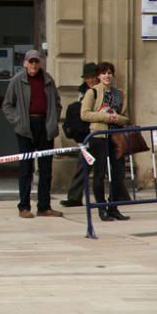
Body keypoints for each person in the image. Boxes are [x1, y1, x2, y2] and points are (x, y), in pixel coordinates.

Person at [1, 50, 63, 219]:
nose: (34, 65)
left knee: (45, 169)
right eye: (31, 62)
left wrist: (53, 120)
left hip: (45, 126)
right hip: (26, 127)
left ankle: (44, 206)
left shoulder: (48, 80)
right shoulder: (17, 81)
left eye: (36, 61)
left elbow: (57, 103)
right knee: (26, 168)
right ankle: (24, 206)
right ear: (25, 63)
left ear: (40, 63)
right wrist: (17, 120)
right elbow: (7, 104)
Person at [80, 61, 131, 221]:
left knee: (118, 173)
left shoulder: (119, 93)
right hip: (99, 136)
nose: (107, 76)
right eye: (104, 73)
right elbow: (85, 114)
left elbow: (126, 117)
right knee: (99, 173)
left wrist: (118, 118)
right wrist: (106, 116)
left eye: (109, 73)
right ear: (99, 76)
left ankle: (113, 206)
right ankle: (101, 208)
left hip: (116, 136)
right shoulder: (92, 93)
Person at [60, 62, 100, 207]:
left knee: (111, 167)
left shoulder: (102, 90)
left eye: (92, 77)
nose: (90, 80)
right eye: (87, 77)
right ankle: (75, 197)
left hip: (101, 132)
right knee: (83, 165)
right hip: (86, 134)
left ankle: (120, 196)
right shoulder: (83, 91)